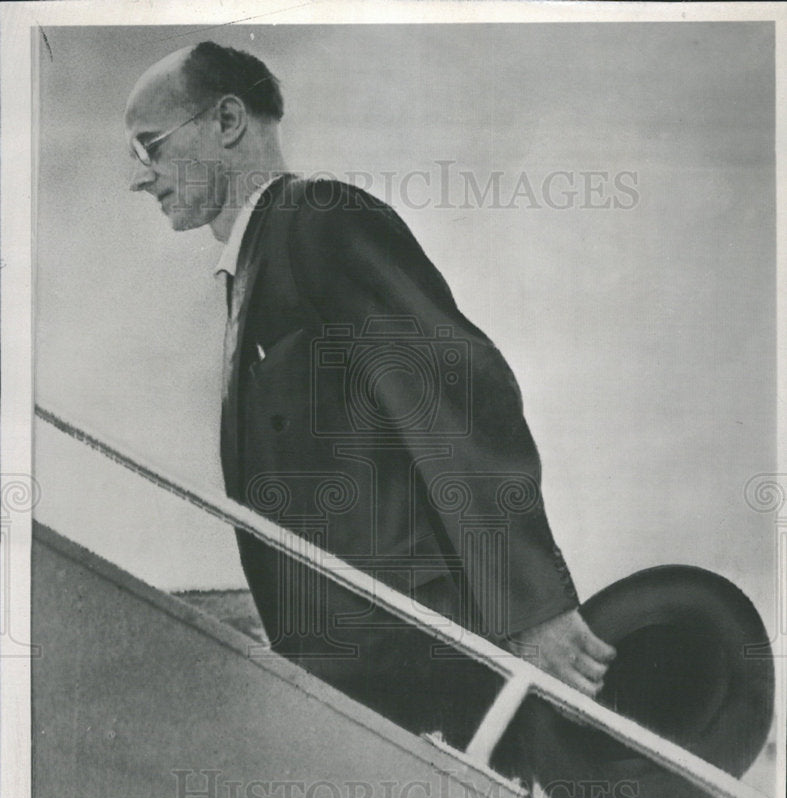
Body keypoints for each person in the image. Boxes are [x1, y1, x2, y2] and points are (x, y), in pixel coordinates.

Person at [125, 41, 615, 754]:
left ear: (227, 120)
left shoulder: (317, 218)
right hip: (352, 688)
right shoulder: (251, 272)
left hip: (422, 671)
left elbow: (455, 394)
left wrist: (533, 608)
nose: (138, 180)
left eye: (149, 148)